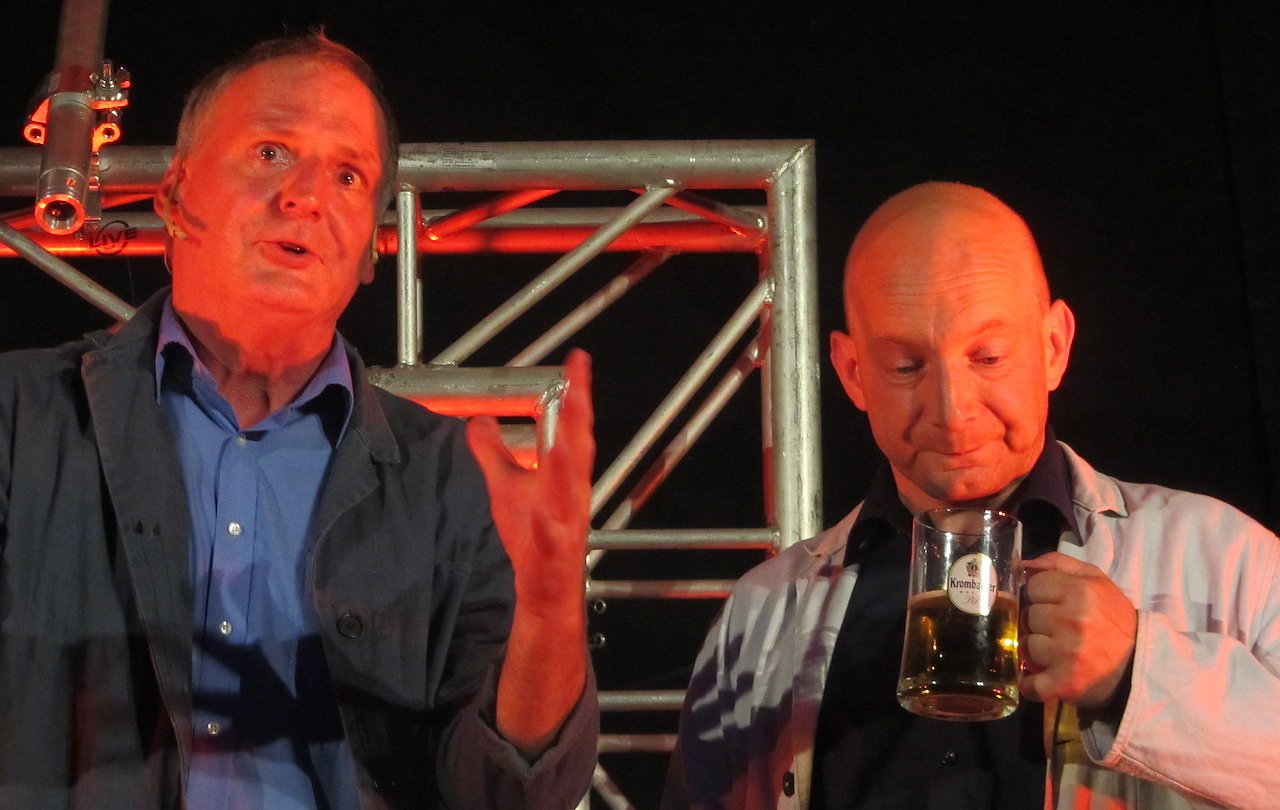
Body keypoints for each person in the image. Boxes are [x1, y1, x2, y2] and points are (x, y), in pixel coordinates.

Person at [0, 34, 598, 809]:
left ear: (370, 250)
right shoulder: (22, 417)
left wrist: (549, 618)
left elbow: (510, 795)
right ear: (173, 194)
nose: (306, 196)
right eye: (271, 152)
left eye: (349, 175)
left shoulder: (451, 478)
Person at [662, 181, 1280, 808]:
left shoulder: (1226, 558)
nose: (952, 412)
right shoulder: (762, 614)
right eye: (906, 367)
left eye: (987, 357)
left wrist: (1135, 671)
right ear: (853, 373)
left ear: (1053, 347)